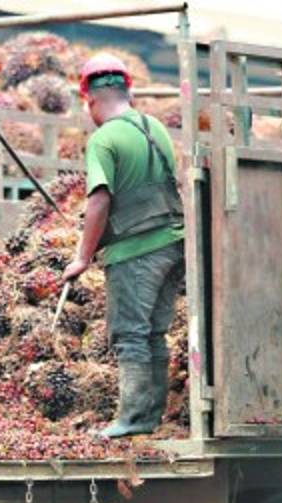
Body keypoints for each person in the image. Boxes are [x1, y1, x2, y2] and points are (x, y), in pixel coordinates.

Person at [61, 53, 185, 438]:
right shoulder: (157, 129)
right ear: (127, 91)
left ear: (90, 100)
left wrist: (82, 257)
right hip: (173, 245)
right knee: (154, 333)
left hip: (136, 252)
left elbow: (99, 199)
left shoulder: (104, 138)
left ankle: (131, 419)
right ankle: (150, 418)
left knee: (130, 333)